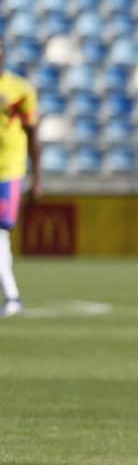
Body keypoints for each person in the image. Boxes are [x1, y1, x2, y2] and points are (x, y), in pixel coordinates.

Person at [0, 37, 41, 317]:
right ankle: (12, 296)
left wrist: (37, 178)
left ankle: (12, 296)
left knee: (0, 233)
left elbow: (34, 134)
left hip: (8, 171)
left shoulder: (20, 89)